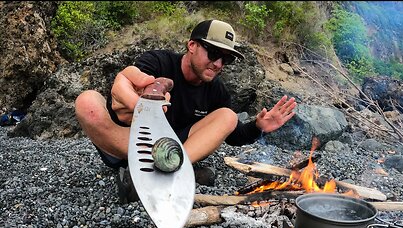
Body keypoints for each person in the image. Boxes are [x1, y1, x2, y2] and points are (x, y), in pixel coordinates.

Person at [75, 19, 297, 203]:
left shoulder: (216, 91)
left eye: (226, 59)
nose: (218, 64)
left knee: (227, 116)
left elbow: (233, 133)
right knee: (87, 102)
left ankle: (168, 169)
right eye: (213, 53)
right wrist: (138, 98)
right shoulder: (158, 62)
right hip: (130, 141)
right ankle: (165, 171)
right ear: (192, 46)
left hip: (173, 149)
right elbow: (135, 81)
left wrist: (259, 127)